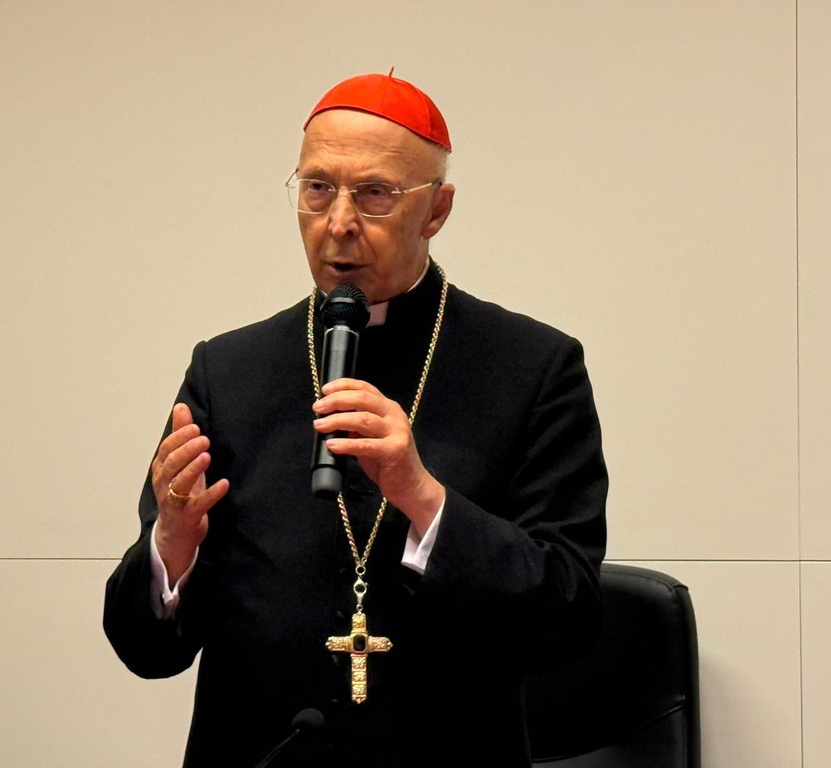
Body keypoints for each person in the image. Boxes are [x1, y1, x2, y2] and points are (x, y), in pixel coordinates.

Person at [104, 71, 608, 768]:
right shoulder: (228, 371)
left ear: (436, 210)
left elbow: (568, 620)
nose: (338, 221)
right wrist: (172, 547)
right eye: (317, 188)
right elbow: (145, 650)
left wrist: (423, 499)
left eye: (374, 193)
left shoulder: (533, 368)